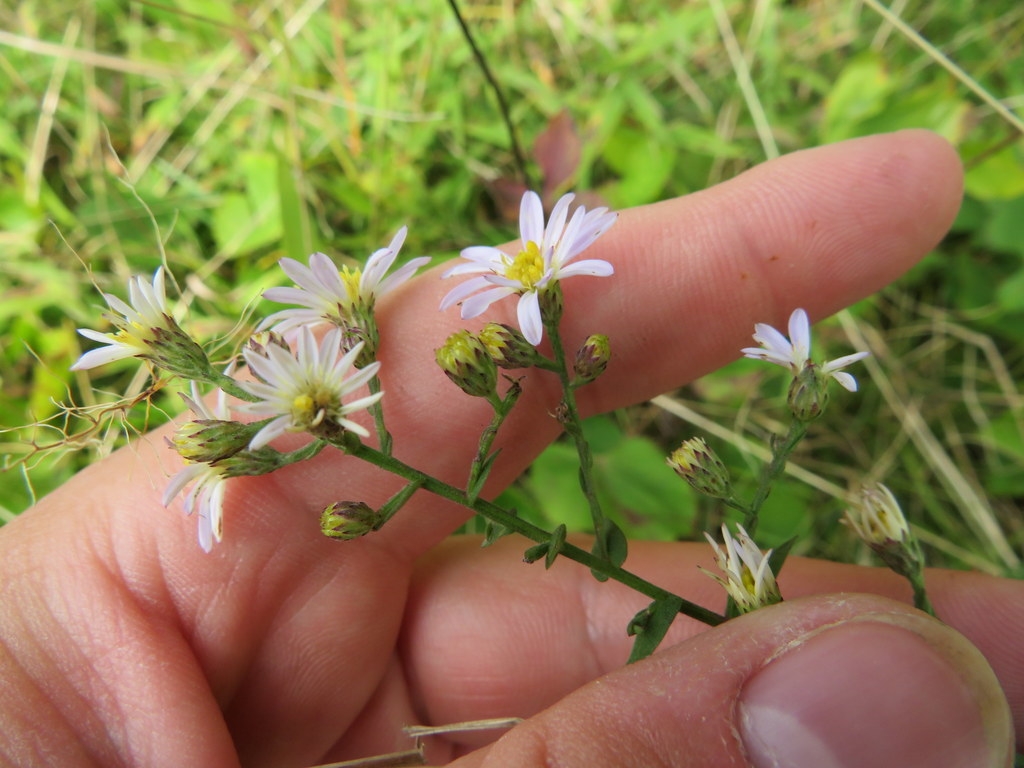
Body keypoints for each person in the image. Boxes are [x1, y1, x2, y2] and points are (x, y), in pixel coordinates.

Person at [0, 130, 1017, 768]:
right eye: (523, 260)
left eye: (529, 260)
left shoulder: (500, 322)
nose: (521, 258)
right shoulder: (328, 434)